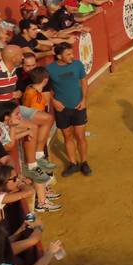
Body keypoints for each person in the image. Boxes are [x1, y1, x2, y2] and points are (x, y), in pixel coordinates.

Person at [46, 43, 90, 177]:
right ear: (59, 56)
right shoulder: (49, 69)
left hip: (78, 106)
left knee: (80, 136)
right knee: (67, 136)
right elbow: (46, 90)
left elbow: (83, 82)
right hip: (61, 109)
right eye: (68, 54)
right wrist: (53, 102)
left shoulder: (78, 65)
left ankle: (84, 162)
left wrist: (83, 100)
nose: (72, 56)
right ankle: (72, 163)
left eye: (72, 53)